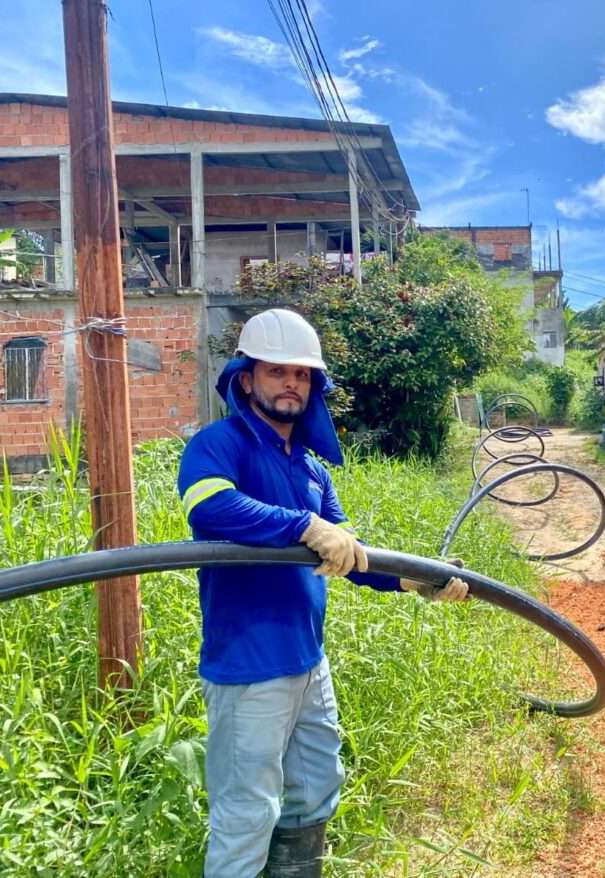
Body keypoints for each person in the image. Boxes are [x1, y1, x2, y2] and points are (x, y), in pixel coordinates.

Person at [177, 308, 468, 878]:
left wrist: (413, 580)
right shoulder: (219, 445)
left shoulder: (312, 471)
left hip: (310, 664)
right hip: (247, 668)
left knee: (314, 790)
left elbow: (351, 556)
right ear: (245, 378)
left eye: (303, 375)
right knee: (246, 813)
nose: (291, 384)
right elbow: (209, 505)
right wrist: (303, 526)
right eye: (277, 371)